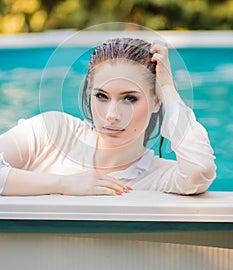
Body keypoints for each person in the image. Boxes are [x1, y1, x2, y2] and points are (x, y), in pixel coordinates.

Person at [0, 37, 216, 196]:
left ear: (156, 102)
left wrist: (168, 89)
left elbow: (200, 170)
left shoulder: (158, 176)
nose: (112, 116)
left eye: (130, 99)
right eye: (101, 96)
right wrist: (63, 184)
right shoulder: (53, 132)